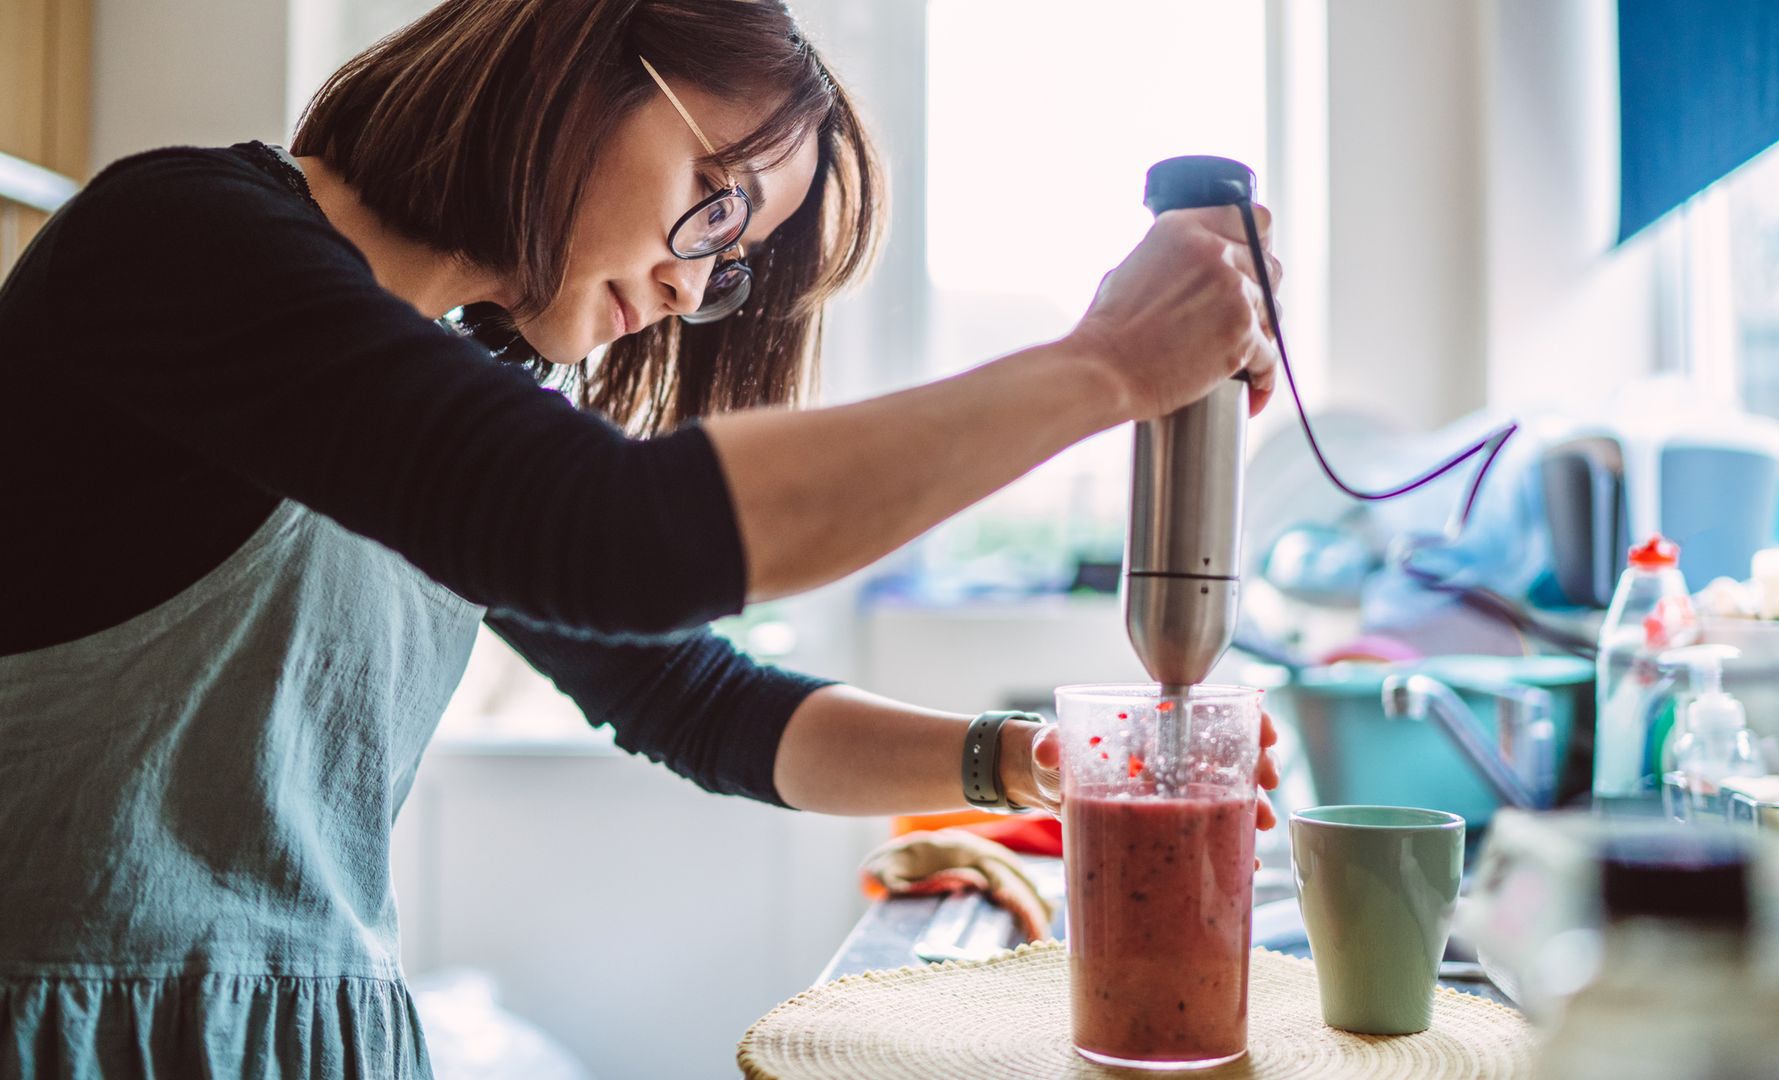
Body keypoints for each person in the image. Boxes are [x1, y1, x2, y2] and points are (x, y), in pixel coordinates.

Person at [0, 1, 1284, 1074]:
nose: (687, 287)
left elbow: (693, 696)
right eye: (716, 200)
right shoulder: (178, 237)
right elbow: (616, 531)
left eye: (729, 262)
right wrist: (1102, 367)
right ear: (577, 69)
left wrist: (1030, 763)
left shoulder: (454, 402)